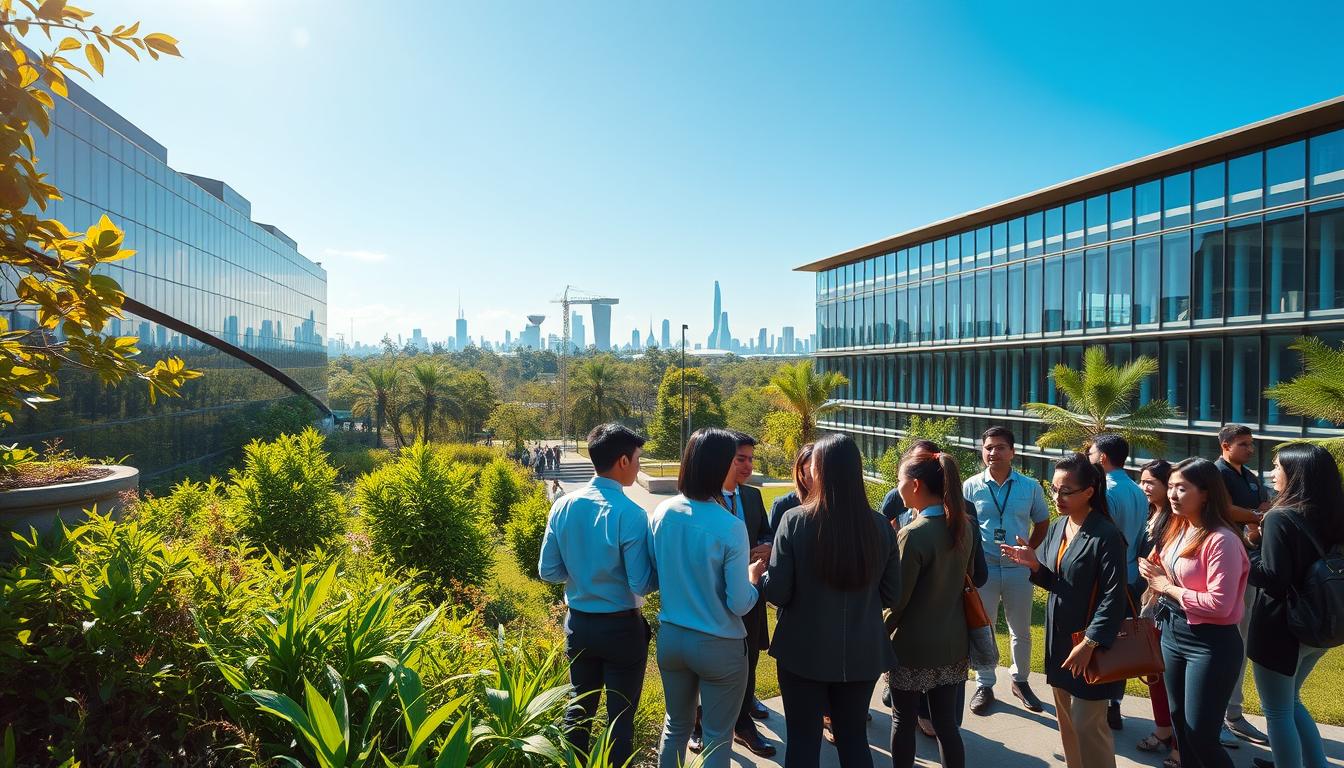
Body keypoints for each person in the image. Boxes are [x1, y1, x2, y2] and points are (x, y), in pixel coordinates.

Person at [763, 433, 901, 768]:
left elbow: (778, 591)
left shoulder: (795, 521)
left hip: (803, 652)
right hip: (862, 651)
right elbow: (892, 594)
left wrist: (758, 578)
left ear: (819, 470)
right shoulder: (881, 526)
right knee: (854, 740)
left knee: (803, 741)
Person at [537, 424, 656, 767]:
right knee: (620, 723)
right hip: (621, 629)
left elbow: (548, 571)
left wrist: (583, 573)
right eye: (637, 458)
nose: (637, 465)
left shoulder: (562, 505)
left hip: (579, 626)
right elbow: (640, 583)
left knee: (578, 710)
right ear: (622, 460)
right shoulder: (631, 514)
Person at [650, 427, 767, 768]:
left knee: (675, 726)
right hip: (719, 642)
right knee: (718, 737)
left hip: (672, 638)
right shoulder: (729, 525)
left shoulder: (663, 512)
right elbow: (739, 602)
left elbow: (653, 576)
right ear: (720, 467)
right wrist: (753, 579)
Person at [1001, 454, 1128, 768]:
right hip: (1060, 641)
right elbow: (1060, 582)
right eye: (1054, 489)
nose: (1058, 497)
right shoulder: (1059, 526)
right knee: (1067, 723)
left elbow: (1114, 599)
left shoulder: (1106, 535)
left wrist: (1090, 643)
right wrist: (1034, 565)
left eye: (1067, 490)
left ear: (1089, 491)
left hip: (1090, 646)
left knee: (1088, 725)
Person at [1139, 458, 1250, 768]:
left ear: (1206, 493)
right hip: (1174, 632)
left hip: (1210, 643)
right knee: (1181, 729)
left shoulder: (1222, 540)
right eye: (1171, 487)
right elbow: (1169, 571)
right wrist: (1155, 572)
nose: (1173, 494)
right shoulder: (1179, 527)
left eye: (1182, 488)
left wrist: (1167, 586)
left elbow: (1220, 604)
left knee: (1202, 735)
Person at [1248, 443, 1344, 768]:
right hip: (1322, 622)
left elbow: (1273, 578)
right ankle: (1317, 764)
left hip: (1282, 626)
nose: (1272, 473)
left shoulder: (1279, 516)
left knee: (1276, 711)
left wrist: (1243, 555)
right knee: (1290, 701)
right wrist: (1261, 542)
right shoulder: (1334, 512)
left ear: (1296, 474)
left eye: (1277, 466)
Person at [887, 450, 977, 768]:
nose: (896, 488)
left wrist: (874, 633)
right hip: (953, 643)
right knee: (946, 725)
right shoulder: (964, 526)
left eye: (898, 481)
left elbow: (897, 602)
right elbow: (976, 577)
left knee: (902, 720)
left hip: (912, 647)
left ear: (913, 485)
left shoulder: (913, 534)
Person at [689, 432, 775, 758]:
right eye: (741, 458)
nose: (748, 465)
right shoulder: (704, 499)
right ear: (724, 459)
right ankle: (699, 723)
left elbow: (765, 530)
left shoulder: (751, 497)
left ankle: (742, 723)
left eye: (752, 459)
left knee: (749, 659)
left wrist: (766, 545)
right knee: (706, 665)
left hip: (750, 593)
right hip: (713, 598)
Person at [963, 426, 1050, 715]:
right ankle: (984, 683)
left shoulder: (1029, 487)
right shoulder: (971, 486)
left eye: (1000, 447)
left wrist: (1030, 551)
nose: (993, 452)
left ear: (1012, 452)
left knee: (1020, 629)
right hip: (983, 568)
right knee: (983, 627)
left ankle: (1020, 680)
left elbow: (1042, 521)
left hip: (1017, 569)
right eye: (988, 447)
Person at [1211, 425, 1271, 747]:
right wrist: (1255, 515)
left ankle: (1233, 715)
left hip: (1247, 565)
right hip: (1221, 567)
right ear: (1225, 445)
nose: (1250, 449)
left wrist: (1256, 518)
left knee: (1241, 643)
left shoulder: (1249, 477)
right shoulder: (1214, 474)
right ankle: (1216, 717)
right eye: (1243, 444)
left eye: (1251, 444)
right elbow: (1223, 510)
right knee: (1223, 644)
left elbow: (1260, 511)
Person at [1087, 433, 1148, 731]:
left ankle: (1098, 703)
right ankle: (1115, 704)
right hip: (1132, 576)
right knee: (1122, 641)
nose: (1088, 458)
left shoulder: (1106, 491)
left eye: (1090, 454)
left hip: (1108, 578)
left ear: (1102, 458)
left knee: (1100, 639)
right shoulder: (1137, 489)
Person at [1133, 460, 1179, 766]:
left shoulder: (1177, 520)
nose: (1144, 488)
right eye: (1142, 481)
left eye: (1151, 482)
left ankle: (1179, 742)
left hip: (1166, 604)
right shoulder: (1150, 514)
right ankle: (1163, 730)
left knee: (1170, 676)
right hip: (1148, 601)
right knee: (1153, 672)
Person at [769, 442, 815, 529]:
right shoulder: (782, 505)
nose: (817, 483)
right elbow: (771, 539)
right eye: (810, 478)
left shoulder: (833, 504)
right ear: (799, 473)